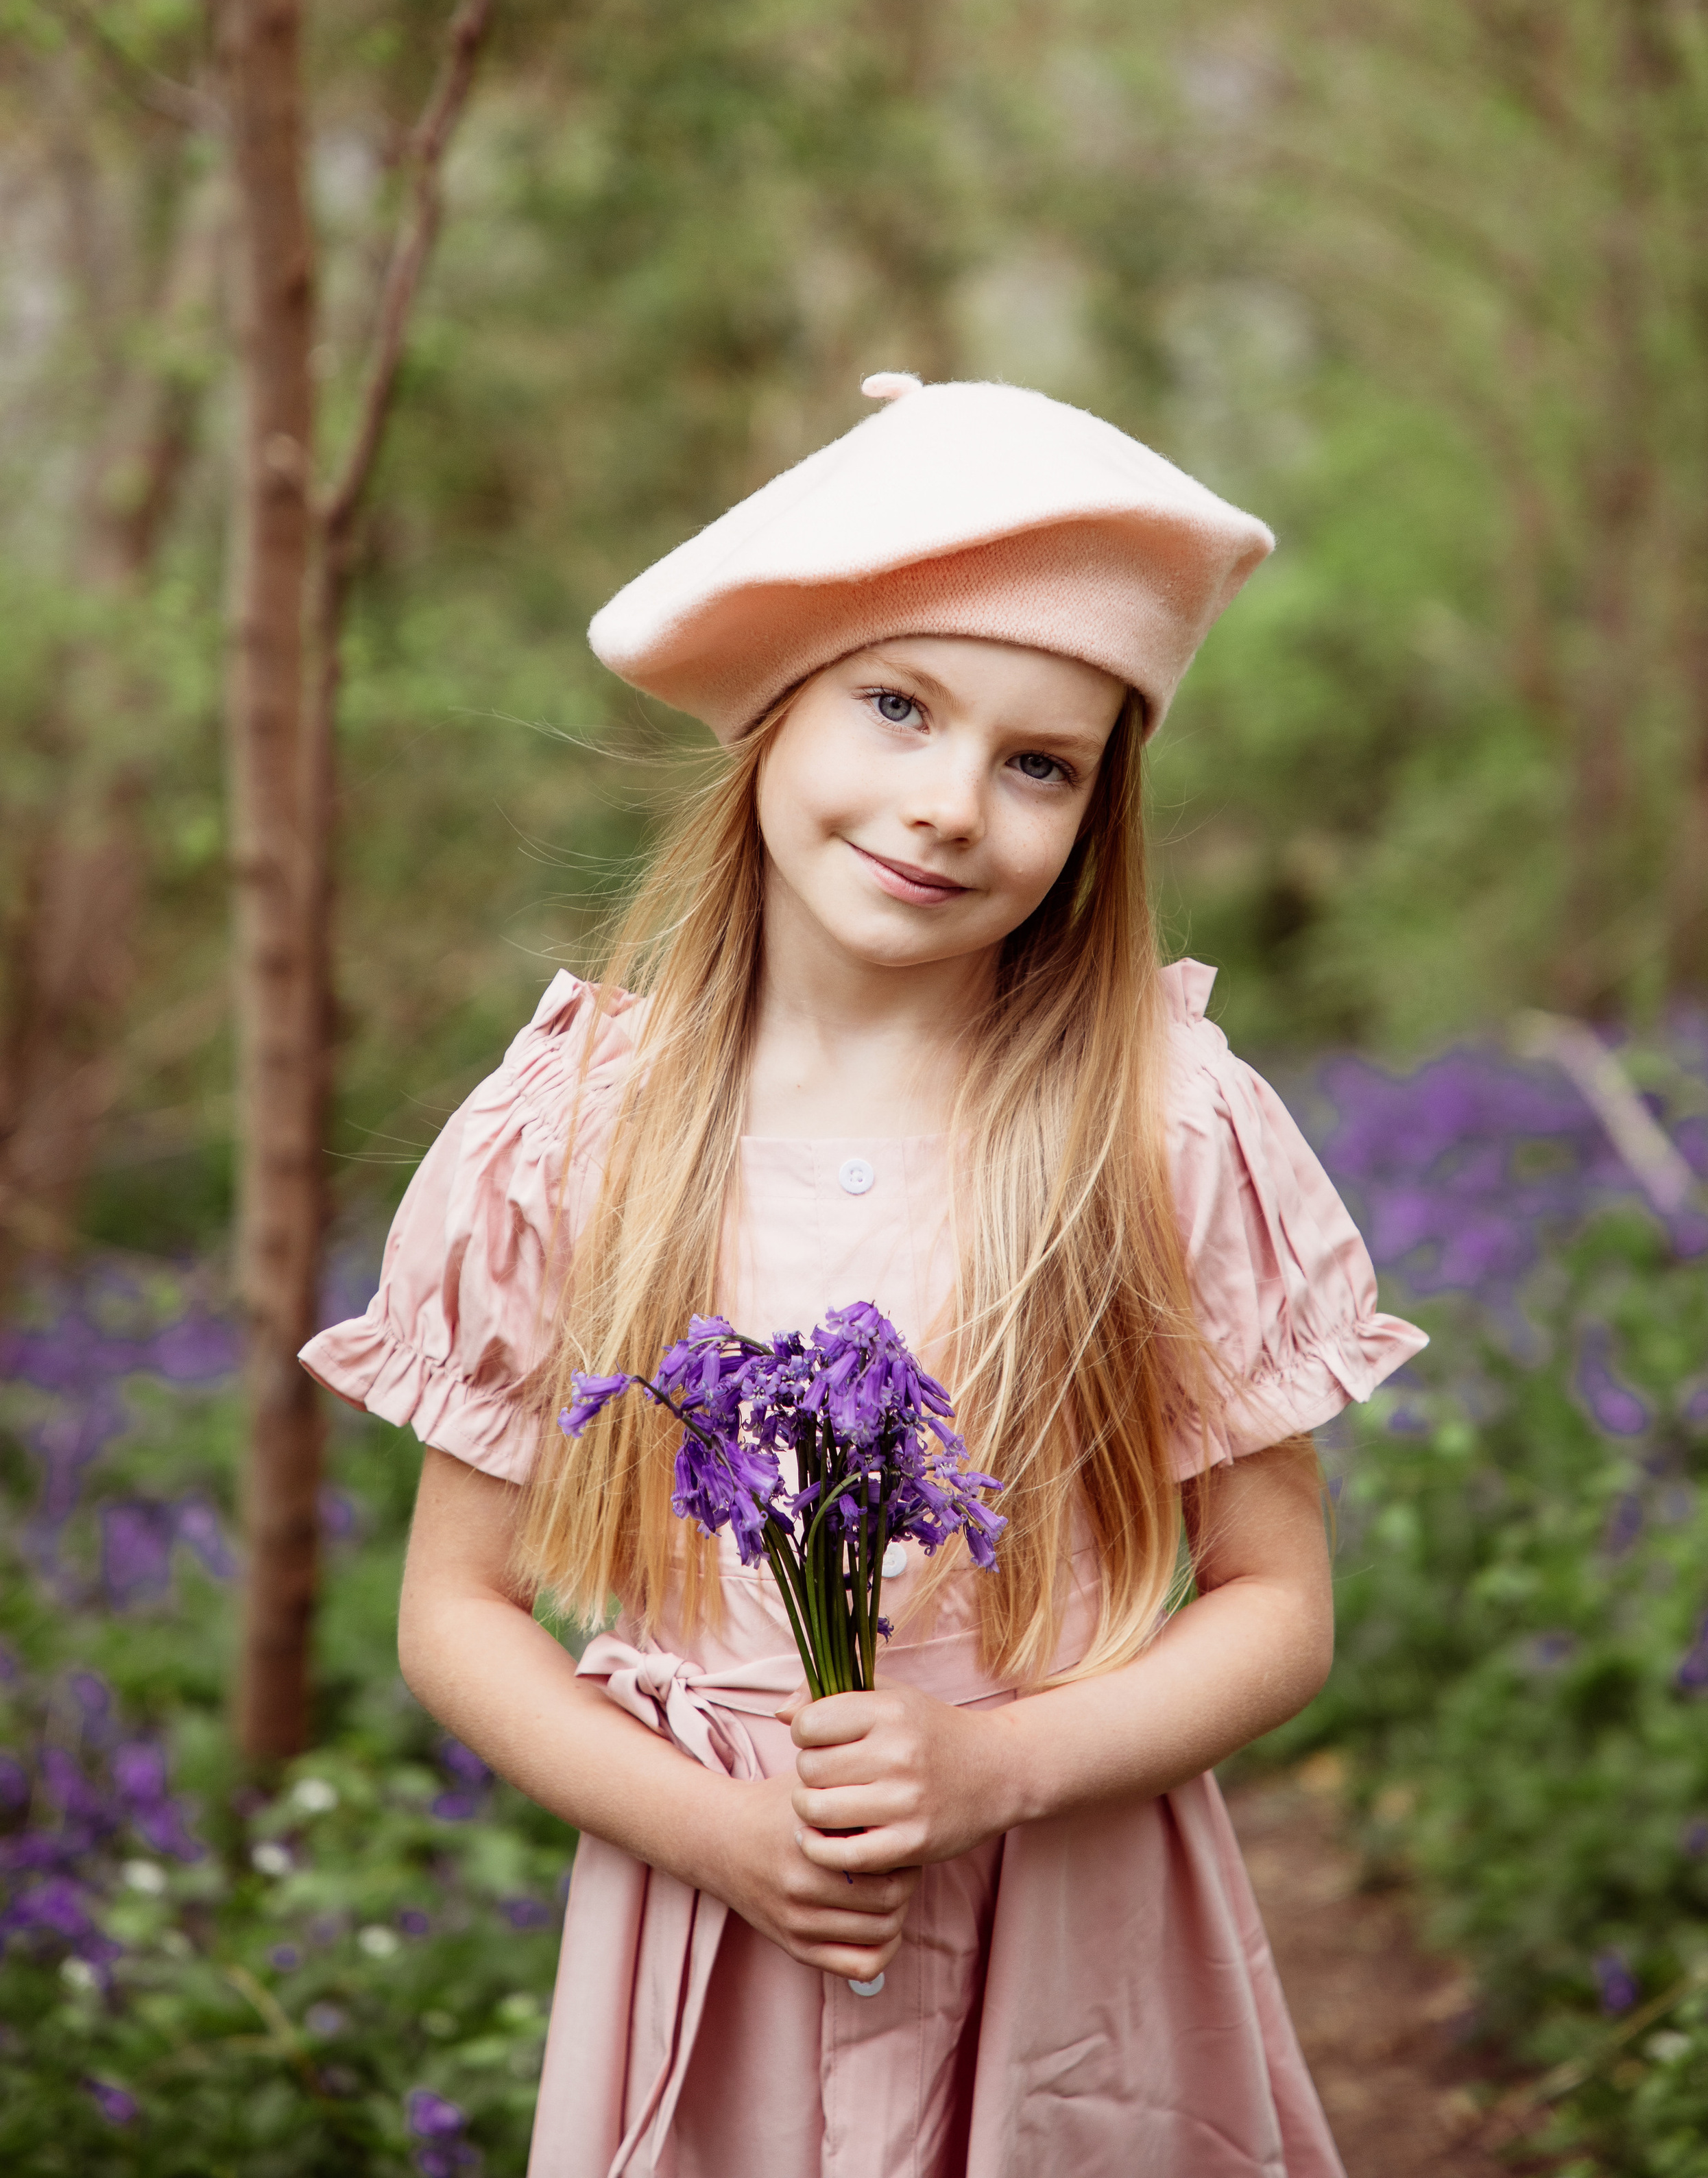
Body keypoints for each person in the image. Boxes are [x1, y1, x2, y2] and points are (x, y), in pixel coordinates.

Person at [302, 373, 1426, 2178]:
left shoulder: (1157, 1125)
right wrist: (717, 1833)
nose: (951, 803)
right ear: (774, 715)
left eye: (1038, 761)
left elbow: (1278, 1605)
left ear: (1095, 814)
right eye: (899, 706)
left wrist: (999, 1771)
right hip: (727, 1913)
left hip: (1067, 1917)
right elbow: (459, 1612)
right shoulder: (574, 1132)